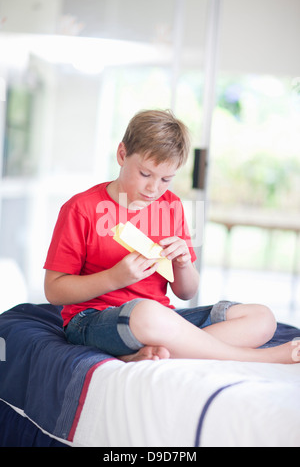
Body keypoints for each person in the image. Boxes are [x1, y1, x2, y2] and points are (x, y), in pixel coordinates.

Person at [44, 109, 299, 364]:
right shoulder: (81, 208)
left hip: (163, 321)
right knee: (148, 314)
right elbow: (54, 291)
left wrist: (183, 263)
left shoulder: (171, 206)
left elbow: (186, 292)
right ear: (122, 155)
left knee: (262, 318)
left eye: (166, 179)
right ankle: (252, 358)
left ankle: (151, 352)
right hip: (94, 320)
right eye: (145, 174)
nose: (154, 188)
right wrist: (114, 278)